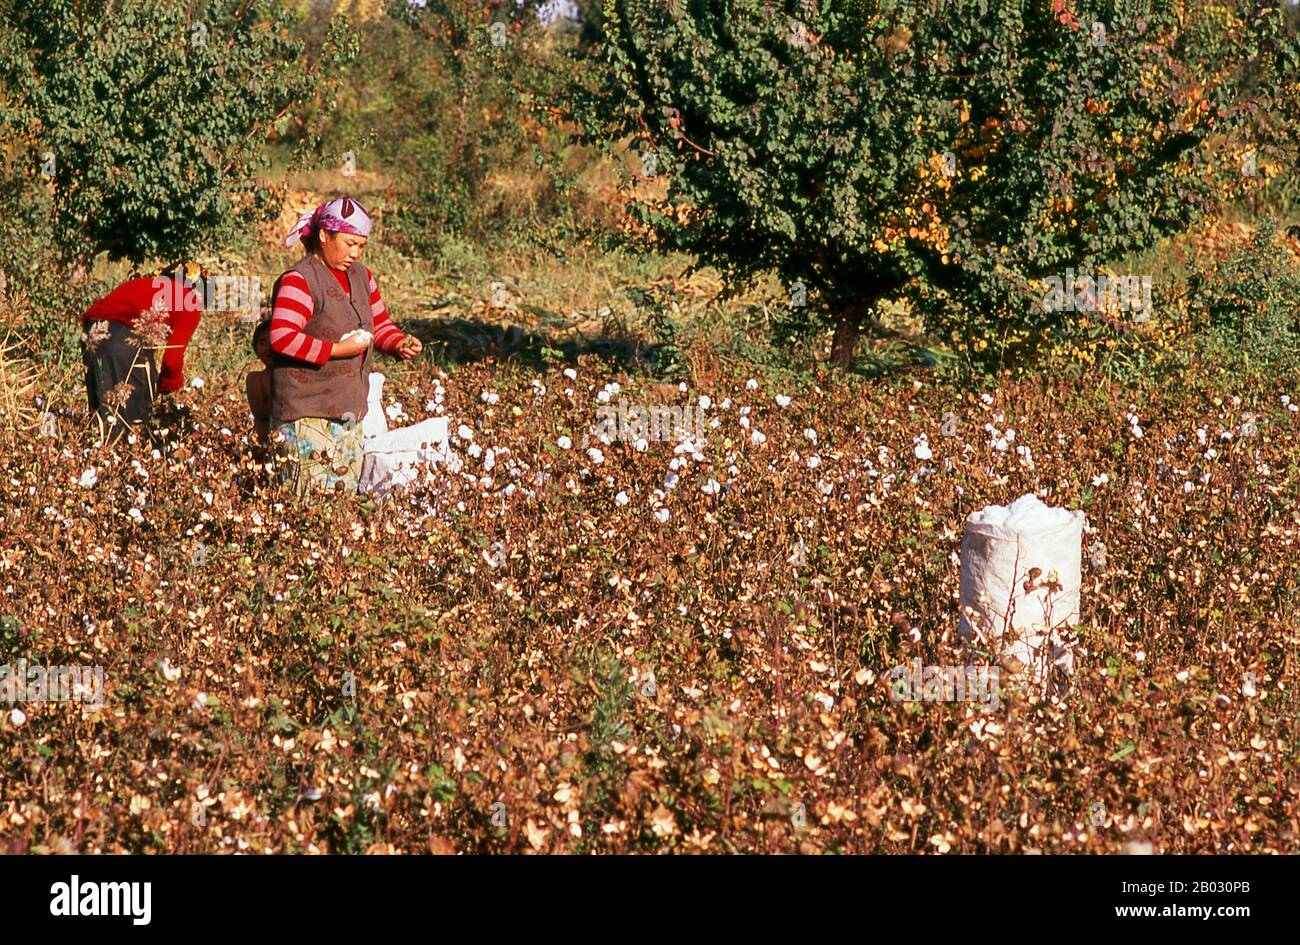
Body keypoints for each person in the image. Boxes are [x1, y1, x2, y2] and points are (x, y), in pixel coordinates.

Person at [268, 197, 422, 495]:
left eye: (361, 245)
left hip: (349, 414)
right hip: (305, 417)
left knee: (339, 507)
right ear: (324, 236)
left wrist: (399, 343)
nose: (355, 252)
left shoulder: (362, 277)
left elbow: (379, 326)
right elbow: (282, 337)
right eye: (349, 243)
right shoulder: (299, 280)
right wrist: (338, 351)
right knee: (308, 508)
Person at [79, 263, 203, 441]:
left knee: (103, 418)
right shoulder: (189, 300)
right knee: (137, 425)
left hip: (90, 332)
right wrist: (168, 386)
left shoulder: (141, 283)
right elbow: (172, 359)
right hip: (124, 339)